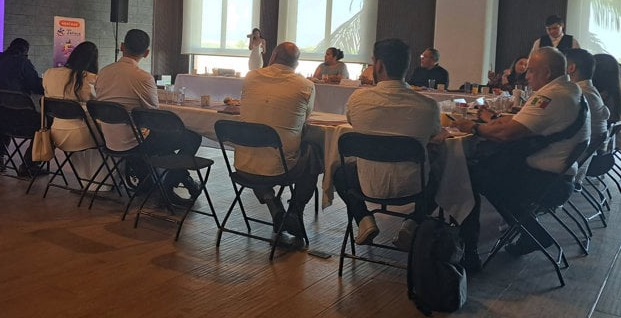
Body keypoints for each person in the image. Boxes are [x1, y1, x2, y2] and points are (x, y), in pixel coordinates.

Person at [455, 47, 590, 266]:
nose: (526, 77)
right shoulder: (570, 90)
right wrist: (493, 122)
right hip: (556, 179)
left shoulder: (552, 95)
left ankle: (468, 252)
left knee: (467, 174)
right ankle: (530, 231)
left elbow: (507, 132)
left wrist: (473, 127)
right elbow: (517, 122)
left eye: (530, 71)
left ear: (546, 72)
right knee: (483, 172)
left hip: (543, 182)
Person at [333, 39, 442, 246]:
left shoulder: (357, 100)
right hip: (414, 186)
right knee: (443, 172)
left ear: (379, 66)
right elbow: (434, 134)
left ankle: (364, 219)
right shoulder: (429, 107)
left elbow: (352, 122)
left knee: (340, 171)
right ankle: (412, 223)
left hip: (367, 183)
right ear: (407, 66)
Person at [95, 29, 200, 203]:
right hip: (135, 142)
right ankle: (169, 183)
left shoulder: (103, 72)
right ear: (146, 53)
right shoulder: (142, 77)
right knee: (192, 138)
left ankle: (164, 181)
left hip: (109, 139)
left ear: (122, 47)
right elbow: (155, 115)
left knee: (164, 143)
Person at [238, 42, 321, 241]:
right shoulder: (305, 86)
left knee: (257, 152)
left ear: (273, 56)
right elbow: (304, 119)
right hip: (281, 169)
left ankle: (273, 204)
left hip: (243, 166)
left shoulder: (250, 77)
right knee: (313, 152)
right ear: (297, 63)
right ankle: (295, 211)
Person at [0, 38, 44, 175]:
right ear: (25, 52)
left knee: (8, 109)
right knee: (44, 122)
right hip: (6, 119)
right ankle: (29, 165)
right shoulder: (22, 62)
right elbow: (36, 85)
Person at [42, 41, 99, 178]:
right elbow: (97, 102)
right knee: (114, 132)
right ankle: (100, 180)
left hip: (55, 133)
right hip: (82, 135)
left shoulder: (49, 73)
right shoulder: (90, 78)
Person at [565, 48, 609, 181]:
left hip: (570, 164)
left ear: (571, 68)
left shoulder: (578, 94)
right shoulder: (591, 90)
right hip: (583, 160)